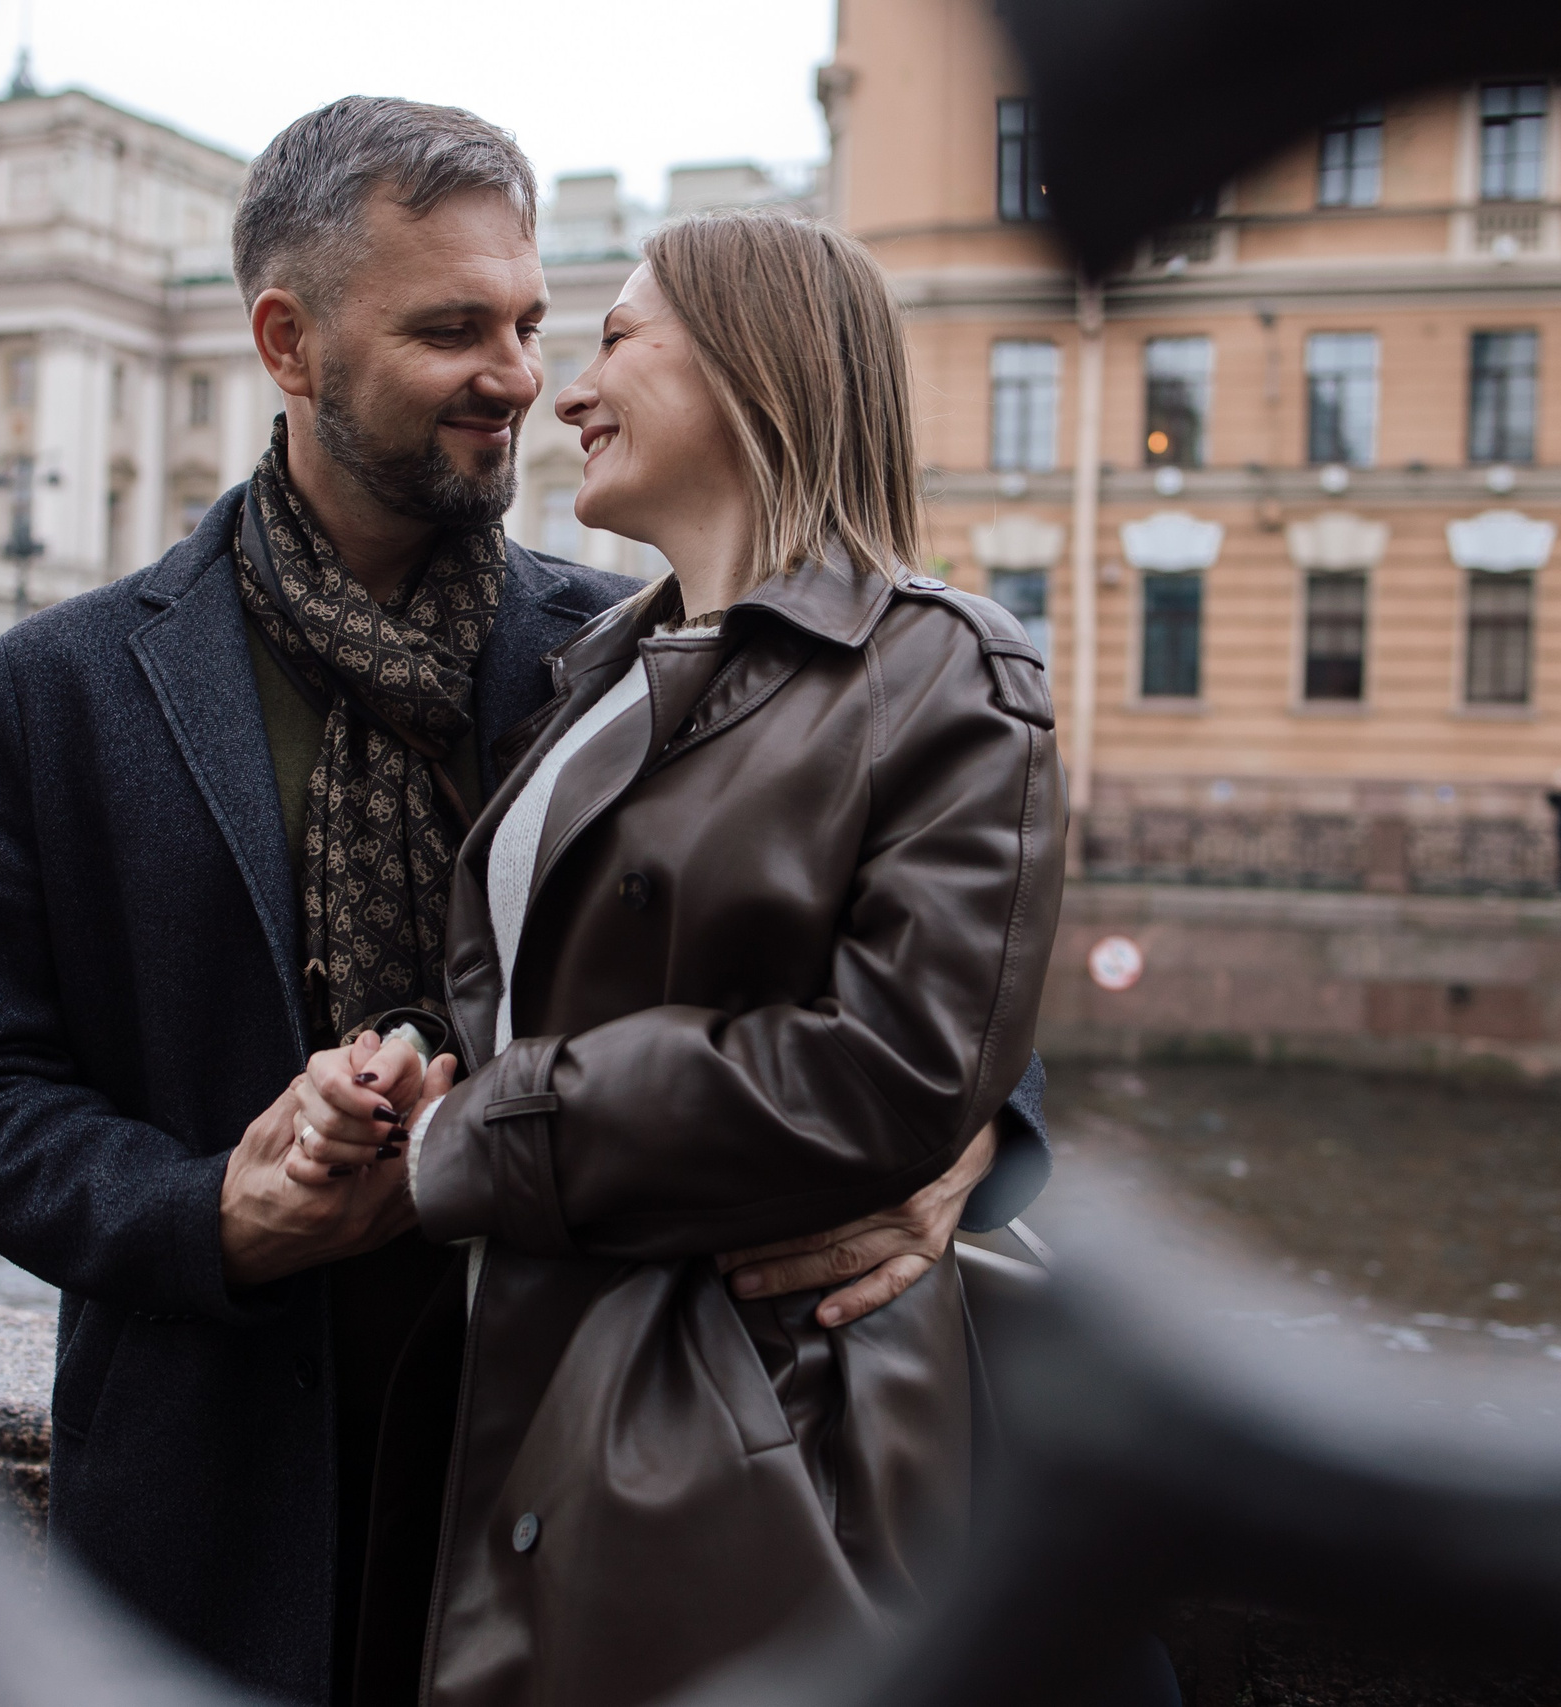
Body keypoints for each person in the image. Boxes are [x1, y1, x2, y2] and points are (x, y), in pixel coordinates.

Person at [0, 97, 1056, 1706]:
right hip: (212, 1504)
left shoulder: (637, 642)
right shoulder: (69, 682)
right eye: (451, 330)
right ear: (288, 344)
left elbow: (923, 966)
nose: (517, 377)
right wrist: (210, 1210)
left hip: (573, 1470)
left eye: (529, 322)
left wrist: (962, 1148)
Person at [288, 211, 1066, 1707]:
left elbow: (900, 1055)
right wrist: (401, 1071)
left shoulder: (941, 664)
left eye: (613, 338)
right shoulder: (602, 663)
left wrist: (476, 1133)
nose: (562, 392)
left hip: (750, 1433)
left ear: (757, 365)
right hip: (508, 1395)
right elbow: (534, 989)